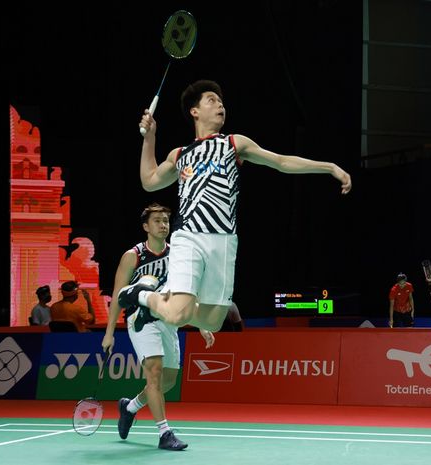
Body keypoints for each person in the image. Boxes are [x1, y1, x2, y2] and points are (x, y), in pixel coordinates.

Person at [119, 79, 352, 333]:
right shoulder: (180, 154)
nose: (220, 105)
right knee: (178, 313)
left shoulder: (233, 143)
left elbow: (281, 161)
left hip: (224, 240)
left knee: (213, 321)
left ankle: (149, 302)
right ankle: (143, 295)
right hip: (189, 236)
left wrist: (329, 167)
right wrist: (149, 138)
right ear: (194, 111)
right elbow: (149, 181)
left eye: (221, 101)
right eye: (211, 100)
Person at [102, 203, 215, 451]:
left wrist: (200, 324)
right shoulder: (133, 256)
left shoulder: (176, 255)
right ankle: (165, 433)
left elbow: (185, 292)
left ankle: (129, 407)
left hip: (167, 319)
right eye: (157, 221)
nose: (163, 225)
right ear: (145, 226)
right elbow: (119, 293)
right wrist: (109, 333)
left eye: (165, 220)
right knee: (153, 373)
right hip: (140, 319)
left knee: (168, 382)